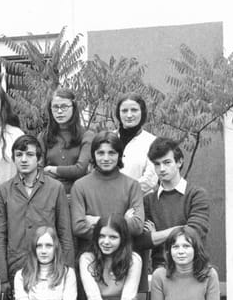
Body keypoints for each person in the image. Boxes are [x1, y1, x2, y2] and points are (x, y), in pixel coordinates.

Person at [0, 134, 74, 290]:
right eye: (19, 155)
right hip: (16, 266)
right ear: (13, 158)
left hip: (50, 267)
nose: (24, 159)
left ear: (39, 159)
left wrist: (67, 273)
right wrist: (1, 278)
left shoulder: (55, 188)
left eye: (29, 154)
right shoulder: (4, 191)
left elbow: (65, 234)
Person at [138, 137, 210, 269]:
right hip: (161, 270)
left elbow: (194, 232)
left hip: (194, 270)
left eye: (167, 162)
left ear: (179, 162)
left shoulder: (196, 195)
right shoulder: (148, 201)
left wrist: (156, 236)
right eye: (157, 164)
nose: (162, 169)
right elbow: (142, 241)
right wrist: (182, 228)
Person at [70, 131, 144, 256]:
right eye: (100, 153)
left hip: (123, 257)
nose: (106, 158)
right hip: (90, 256)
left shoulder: (132, 186)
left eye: (111, 153)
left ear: (119, 155)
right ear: (93, 154)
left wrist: (97, 221)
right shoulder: (80, 186)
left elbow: (137, 227)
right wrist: (122, 222)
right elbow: (78, 227)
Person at [39, 88, 93, 195]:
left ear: (73, 108)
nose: (59, 111)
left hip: (78, 196)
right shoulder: (43, 137)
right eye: (55, 107)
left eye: (64, 107)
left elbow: (80, 170)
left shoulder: (87, 136)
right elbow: (38, 171)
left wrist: (52, 169)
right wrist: (68, 173)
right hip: (50, 196)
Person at [115, 93, 158, 195]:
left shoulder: (152, 142)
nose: (129, 115)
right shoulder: (108, 138)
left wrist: (123, 194)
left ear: (142, 112)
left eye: (134, 110)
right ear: (118, 113)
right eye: (124, 111)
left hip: (138, 201)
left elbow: (150, 179)